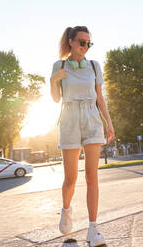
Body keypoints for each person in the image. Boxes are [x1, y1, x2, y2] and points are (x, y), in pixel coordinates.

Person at [50, 26, 115, 246]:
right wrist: (53, 80)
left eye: (89, 43)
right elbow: (55, 98)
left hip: (91, 118)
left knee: (91, 176)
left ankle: (93, 228)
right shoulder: (59, 66)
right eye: (81, 42)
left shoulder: (95, 66)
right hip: (68, 118)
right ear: (71, 42)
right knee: (70, 178)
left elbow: (100, 98)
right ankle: (66, 211)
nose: (85, 47)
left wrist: (109, 123)